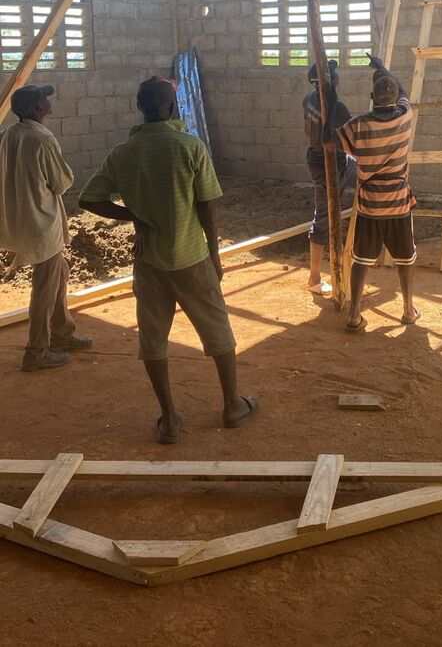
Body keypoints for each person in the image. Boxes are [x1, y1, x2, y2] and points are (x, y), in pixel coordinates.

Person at [79, 76, 257, 444]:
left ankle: (170, 418)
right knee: (217, 330)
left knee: (153, 338)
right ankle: (232, 406)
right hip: (191, 256)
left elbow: (89, 199)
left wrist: (135, 217)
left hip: (150, 261)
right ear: (172, 107)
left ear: (140, 108)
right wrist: (213, 252)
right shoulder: (190, 147)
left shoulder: (123, 153)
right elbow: (207, 206)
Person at [0, 84, 92, 371]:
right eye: (44, 98)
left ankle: (62, 332)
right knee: (45, 286)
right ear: (38, 108)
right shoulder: (43, 138)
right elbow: (62, 182)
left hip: (20, 217)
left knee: (59, 272)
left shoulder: (9, 134)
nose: (48, 101)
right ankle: (37, 351)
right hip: (42, 221)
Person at [337, 59, 419, 333]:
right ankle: (408, 309)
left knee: (362, 259)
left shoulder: (357, 125)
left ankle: (354, 313)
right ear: (396, 98)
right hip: (397, 202)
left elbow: (331, 143)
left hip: (370, 204)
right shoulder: (405, 116)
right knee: (405, 258)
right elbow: (405, 93)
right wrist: (383, 69)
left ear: (372, 98)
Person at [303, 60, 355, 295]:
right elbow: (350, 140)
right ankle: (315, 278)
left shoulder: (309, 100)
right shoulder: (338, 108)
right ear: (332, 81)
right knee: (323, 217)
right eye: (336, 76)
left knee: (324, 213)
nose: (339, 78)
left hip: (316, 159)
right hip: (331, 165)